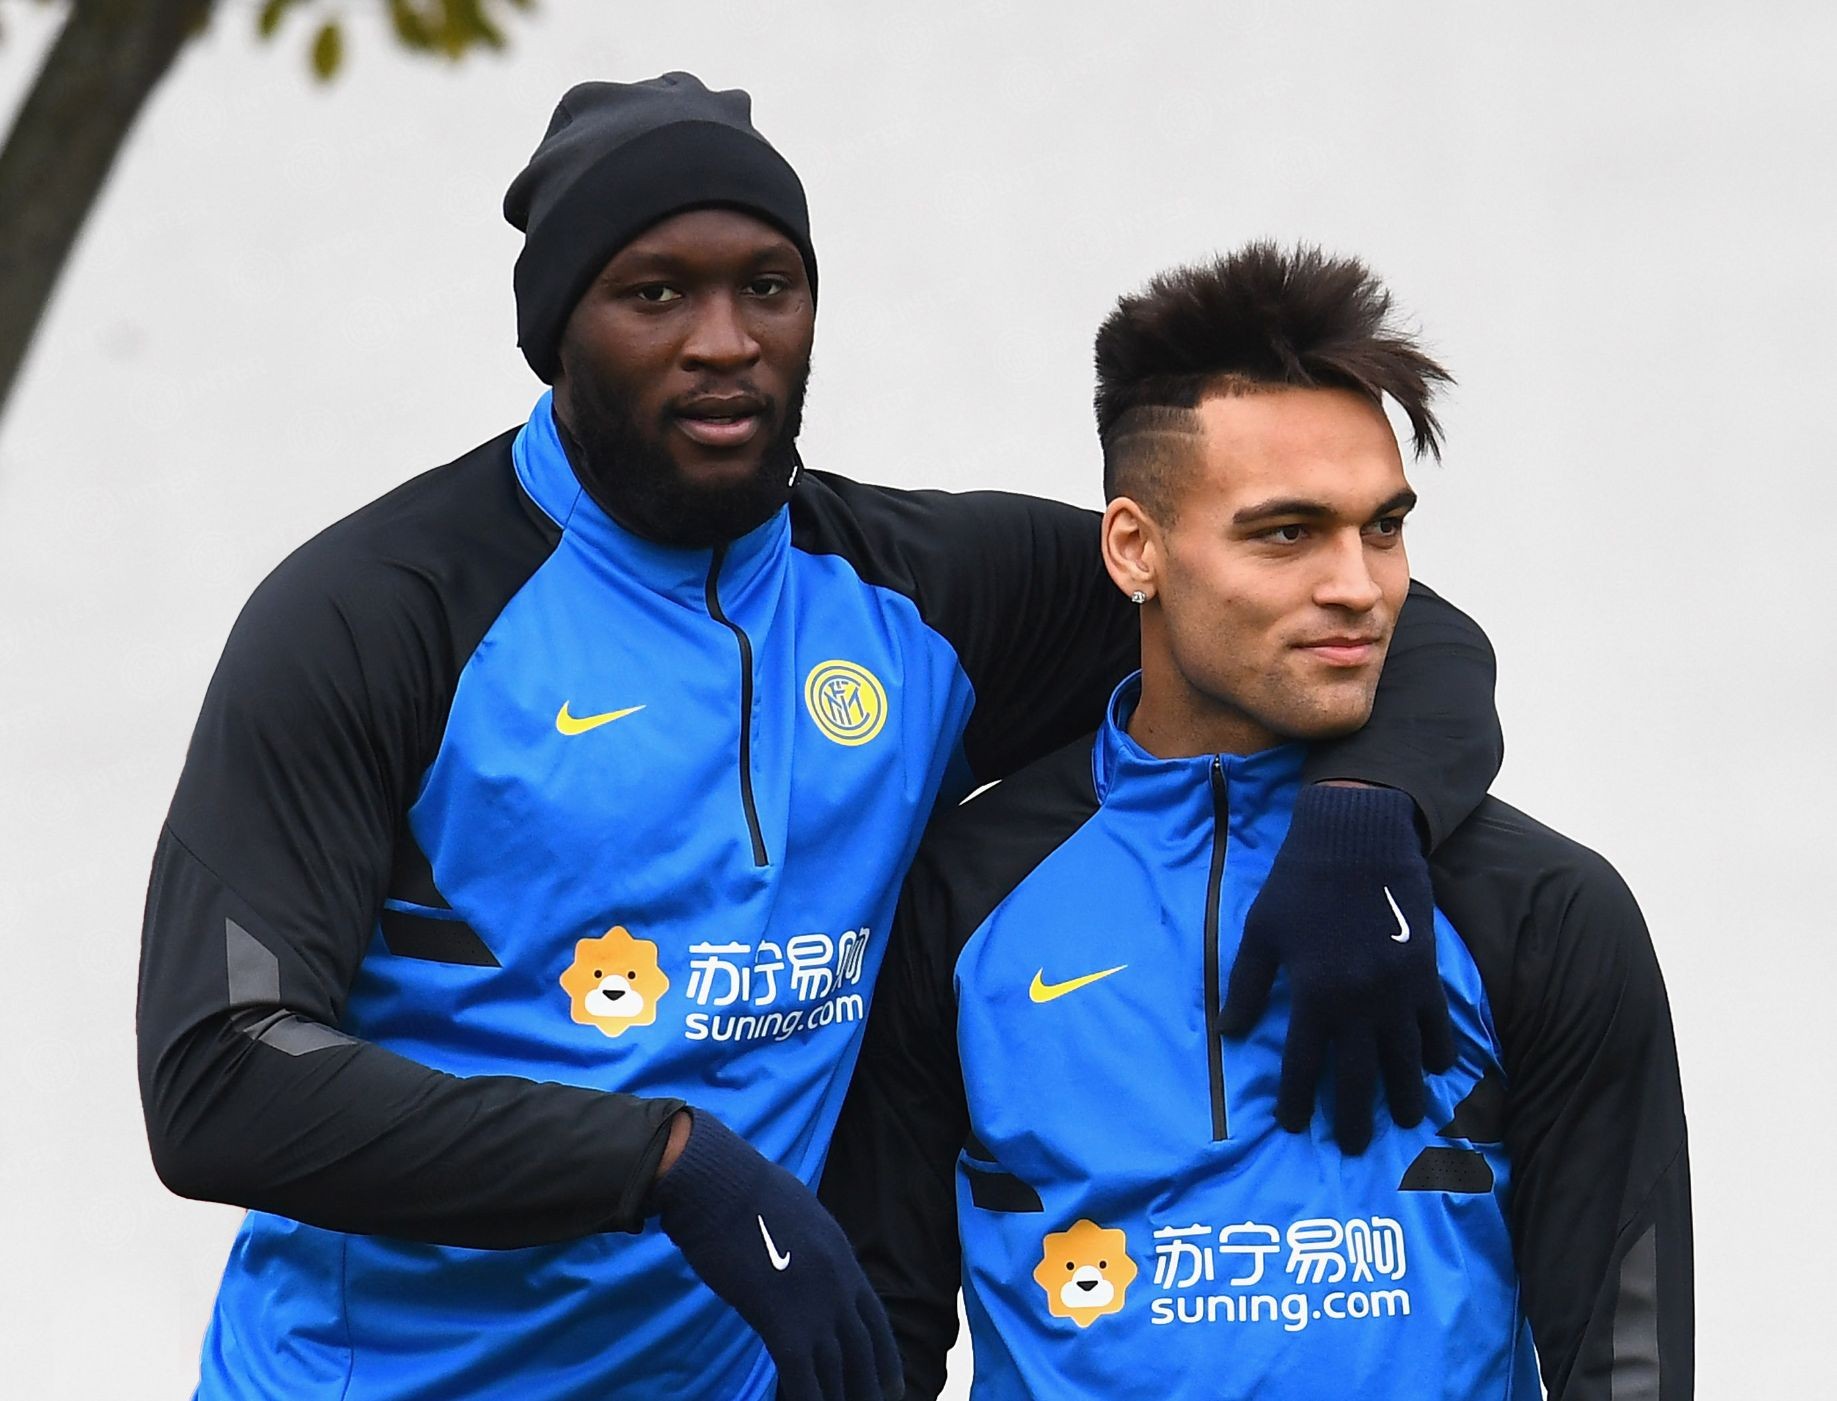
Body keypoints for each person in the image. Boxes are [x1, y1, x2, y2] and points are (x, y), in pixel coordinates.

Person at [136, 77, 1503, 1400]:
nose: (724, 340)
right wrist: (662, 1162)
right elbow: (222, 1072)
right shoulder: (381, 615)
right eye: (654, 293)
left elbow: (1349, 613)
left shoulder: (922, 596)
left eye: (768, 287)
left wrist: (1366, 812)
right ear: (555, 333)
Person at [822, 243, 1692, 1399]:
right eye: (1286, 533)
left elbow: (1625, 1362)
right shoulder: (960, 893)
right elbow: (876, 1337)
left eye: (1382, 528)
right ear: (1135, 549)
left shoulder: (1537, 908)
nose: (1359, 587)